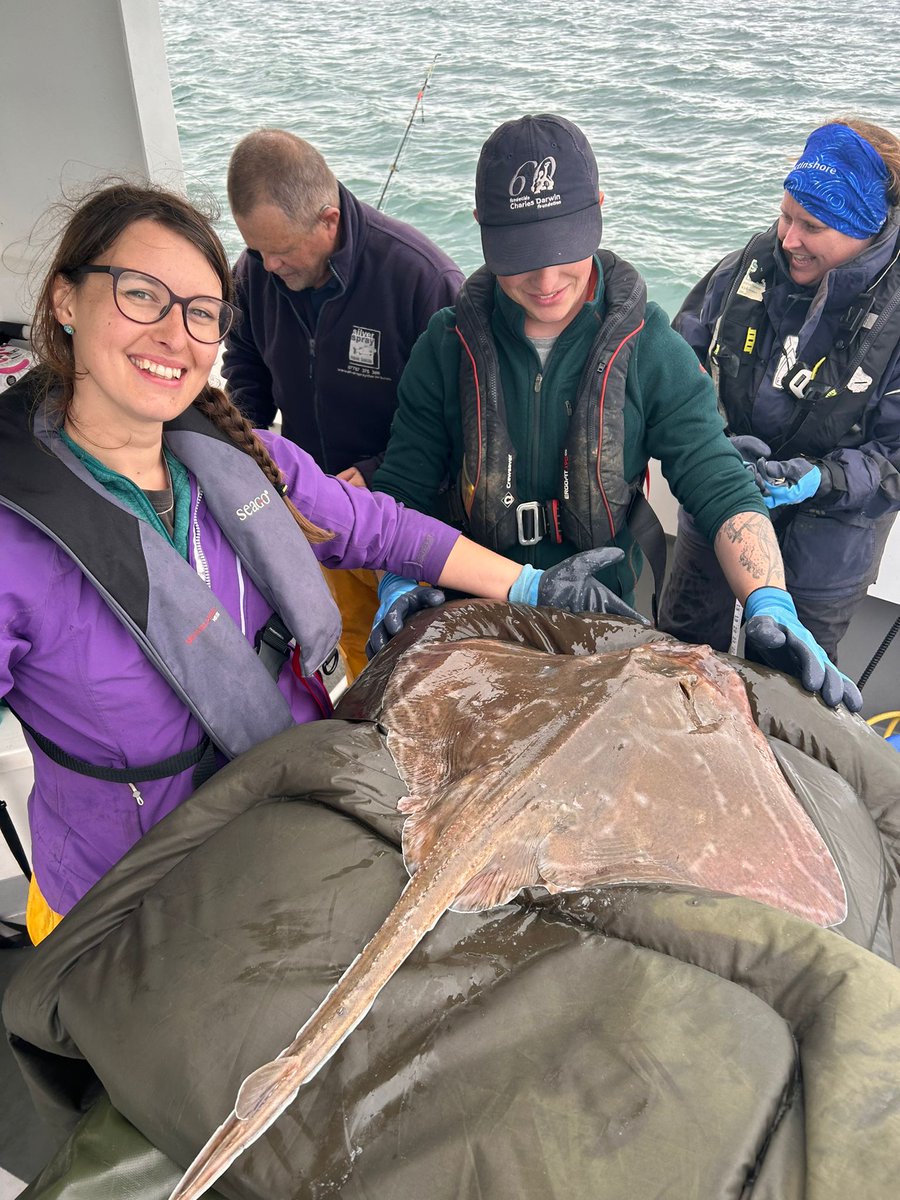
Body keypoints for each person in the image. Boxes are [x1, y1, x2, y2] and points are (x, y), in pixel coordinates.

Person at [0, 181, 644, 944]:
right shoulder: (17, 540)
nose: (175, 334)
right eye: (142, 295)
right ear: (66, 300)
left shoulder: (246, 455)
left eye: (201, 311)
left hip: (296, 837)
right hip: (136, 912)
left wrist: (528, 583)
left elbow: (382, 529)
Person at [372, 113, 862, 713]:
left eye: (563, 251)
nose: (547, 280)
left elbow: (719, 483)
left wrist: (768, 601)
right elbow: (403, 491)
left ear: (600, 209)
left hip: (603, 626)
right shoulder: (444, 348)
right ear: (482, 228)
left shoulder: (651, 347)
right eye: (521, 256)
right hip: (472, 620)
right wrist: (399, 582)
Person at [222, 129, 465, 680]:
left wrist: (378, 472)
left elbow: (465, 415)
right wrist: (246, 437)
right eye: (256, 250)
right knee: (354, 648)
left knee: (422, 660)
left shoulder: (423, 279)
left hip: (408, 514)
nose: (267, 265)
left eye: (280, 251)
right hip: (317, 514)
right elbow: (243, 360)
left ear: (327, 221)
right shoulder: (257, 272)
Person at [658, 118, 900, 665]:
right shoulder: (751, 264)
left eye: (811, 227)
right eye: (785, 214)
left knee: (787, 691)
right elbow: (675, 360)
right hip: (718, 505)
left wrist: (820, 479)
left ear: (863, 230)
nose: (788, 239)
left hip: (826, 554)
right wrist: (708, 441)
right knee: (677, 657)